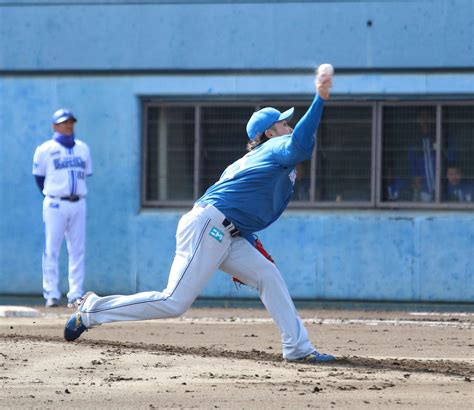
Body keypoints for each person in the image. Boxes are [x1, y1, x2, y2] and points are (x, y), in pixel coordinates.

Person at [64, 73, 335, 364]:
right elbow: (301, 144)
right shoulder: (274, 148)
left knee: (268, 275)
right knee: (173, 302)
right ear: (269, 133)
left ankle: (297, 348)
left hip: (227, 231)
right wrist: (319, 99)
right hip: (210, 227)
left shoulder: (252, 159)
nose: (289, 126)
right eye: (283, 123)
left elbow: (239, 203)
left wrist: (249, 239)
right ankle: (92, 310)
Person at [32, 109, 93, 308]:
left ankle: (75, 293)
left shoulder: (83, 148)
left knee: (77, 249)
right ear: (55, 126)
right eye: (64, 123)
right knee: (52, 248)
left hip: (78, 202)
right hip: (55, 202)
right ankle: (51, 293)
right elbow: (39, 178)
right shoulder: (45, 149)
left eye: (70, 122)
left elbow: (87, 173)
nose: (68, 126)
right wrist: (51, 194)